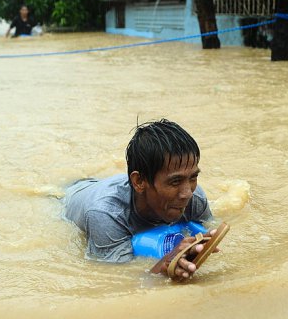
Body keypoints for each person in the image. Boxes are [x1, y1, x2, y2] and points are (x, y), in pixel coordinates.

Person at [63, 119, 218, 281]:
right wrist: (166, 263)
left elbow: (208, 229)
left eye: (193, 177)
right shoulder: (105, 213)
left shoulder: (195, 197)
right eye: (175, 181)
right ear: (139, 182)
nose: (187, 193)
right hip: (70, 194)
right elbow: (117, 280)